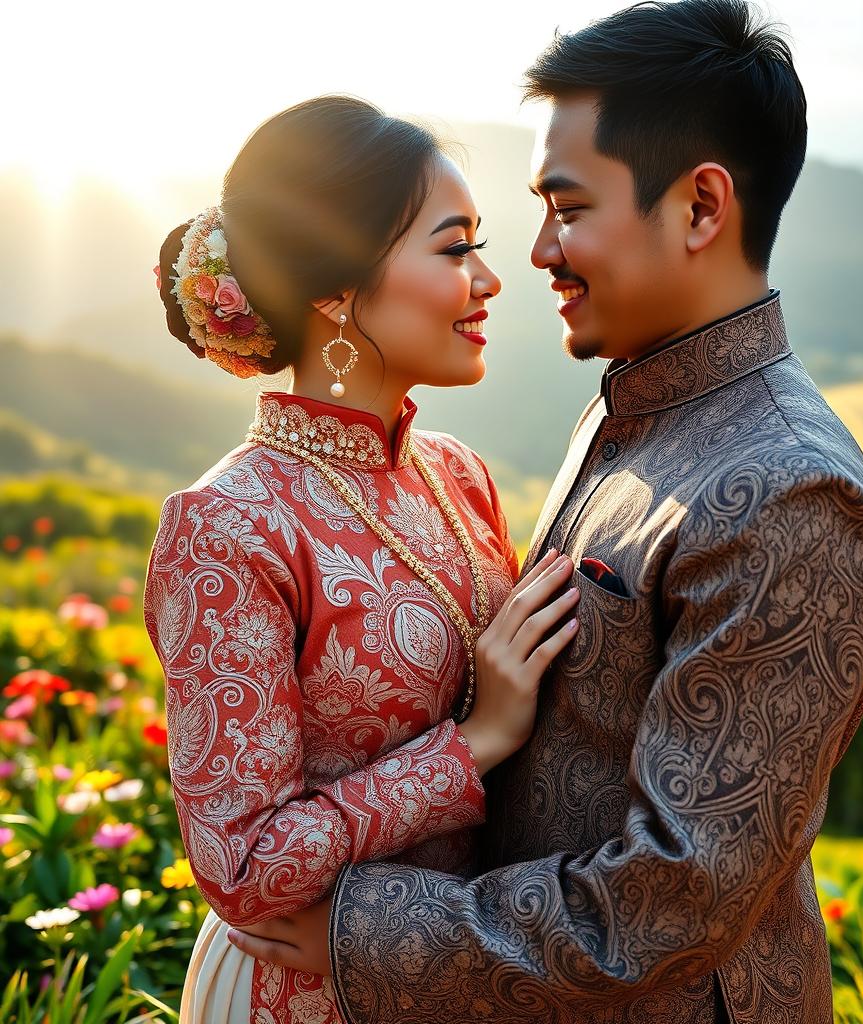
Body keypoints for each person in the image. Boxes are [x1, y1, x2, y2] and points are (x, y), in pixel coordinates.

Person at [227, 2, 863, 1022]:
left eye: (570, 208)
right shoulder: (632, 401)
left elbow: (666, 905)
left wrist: (357, 928)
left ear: (698, 207)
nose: (540, 252)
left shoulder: (794, 499)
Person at [142, 95, 582, 1023]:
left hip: (460, 975)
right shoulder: (227, 528)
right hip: (302, 995)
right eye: (455, 248)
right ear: (337, 289)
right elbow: (243, 866)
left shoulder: (458, 478)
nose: (491, 278)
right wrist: (474, 742)